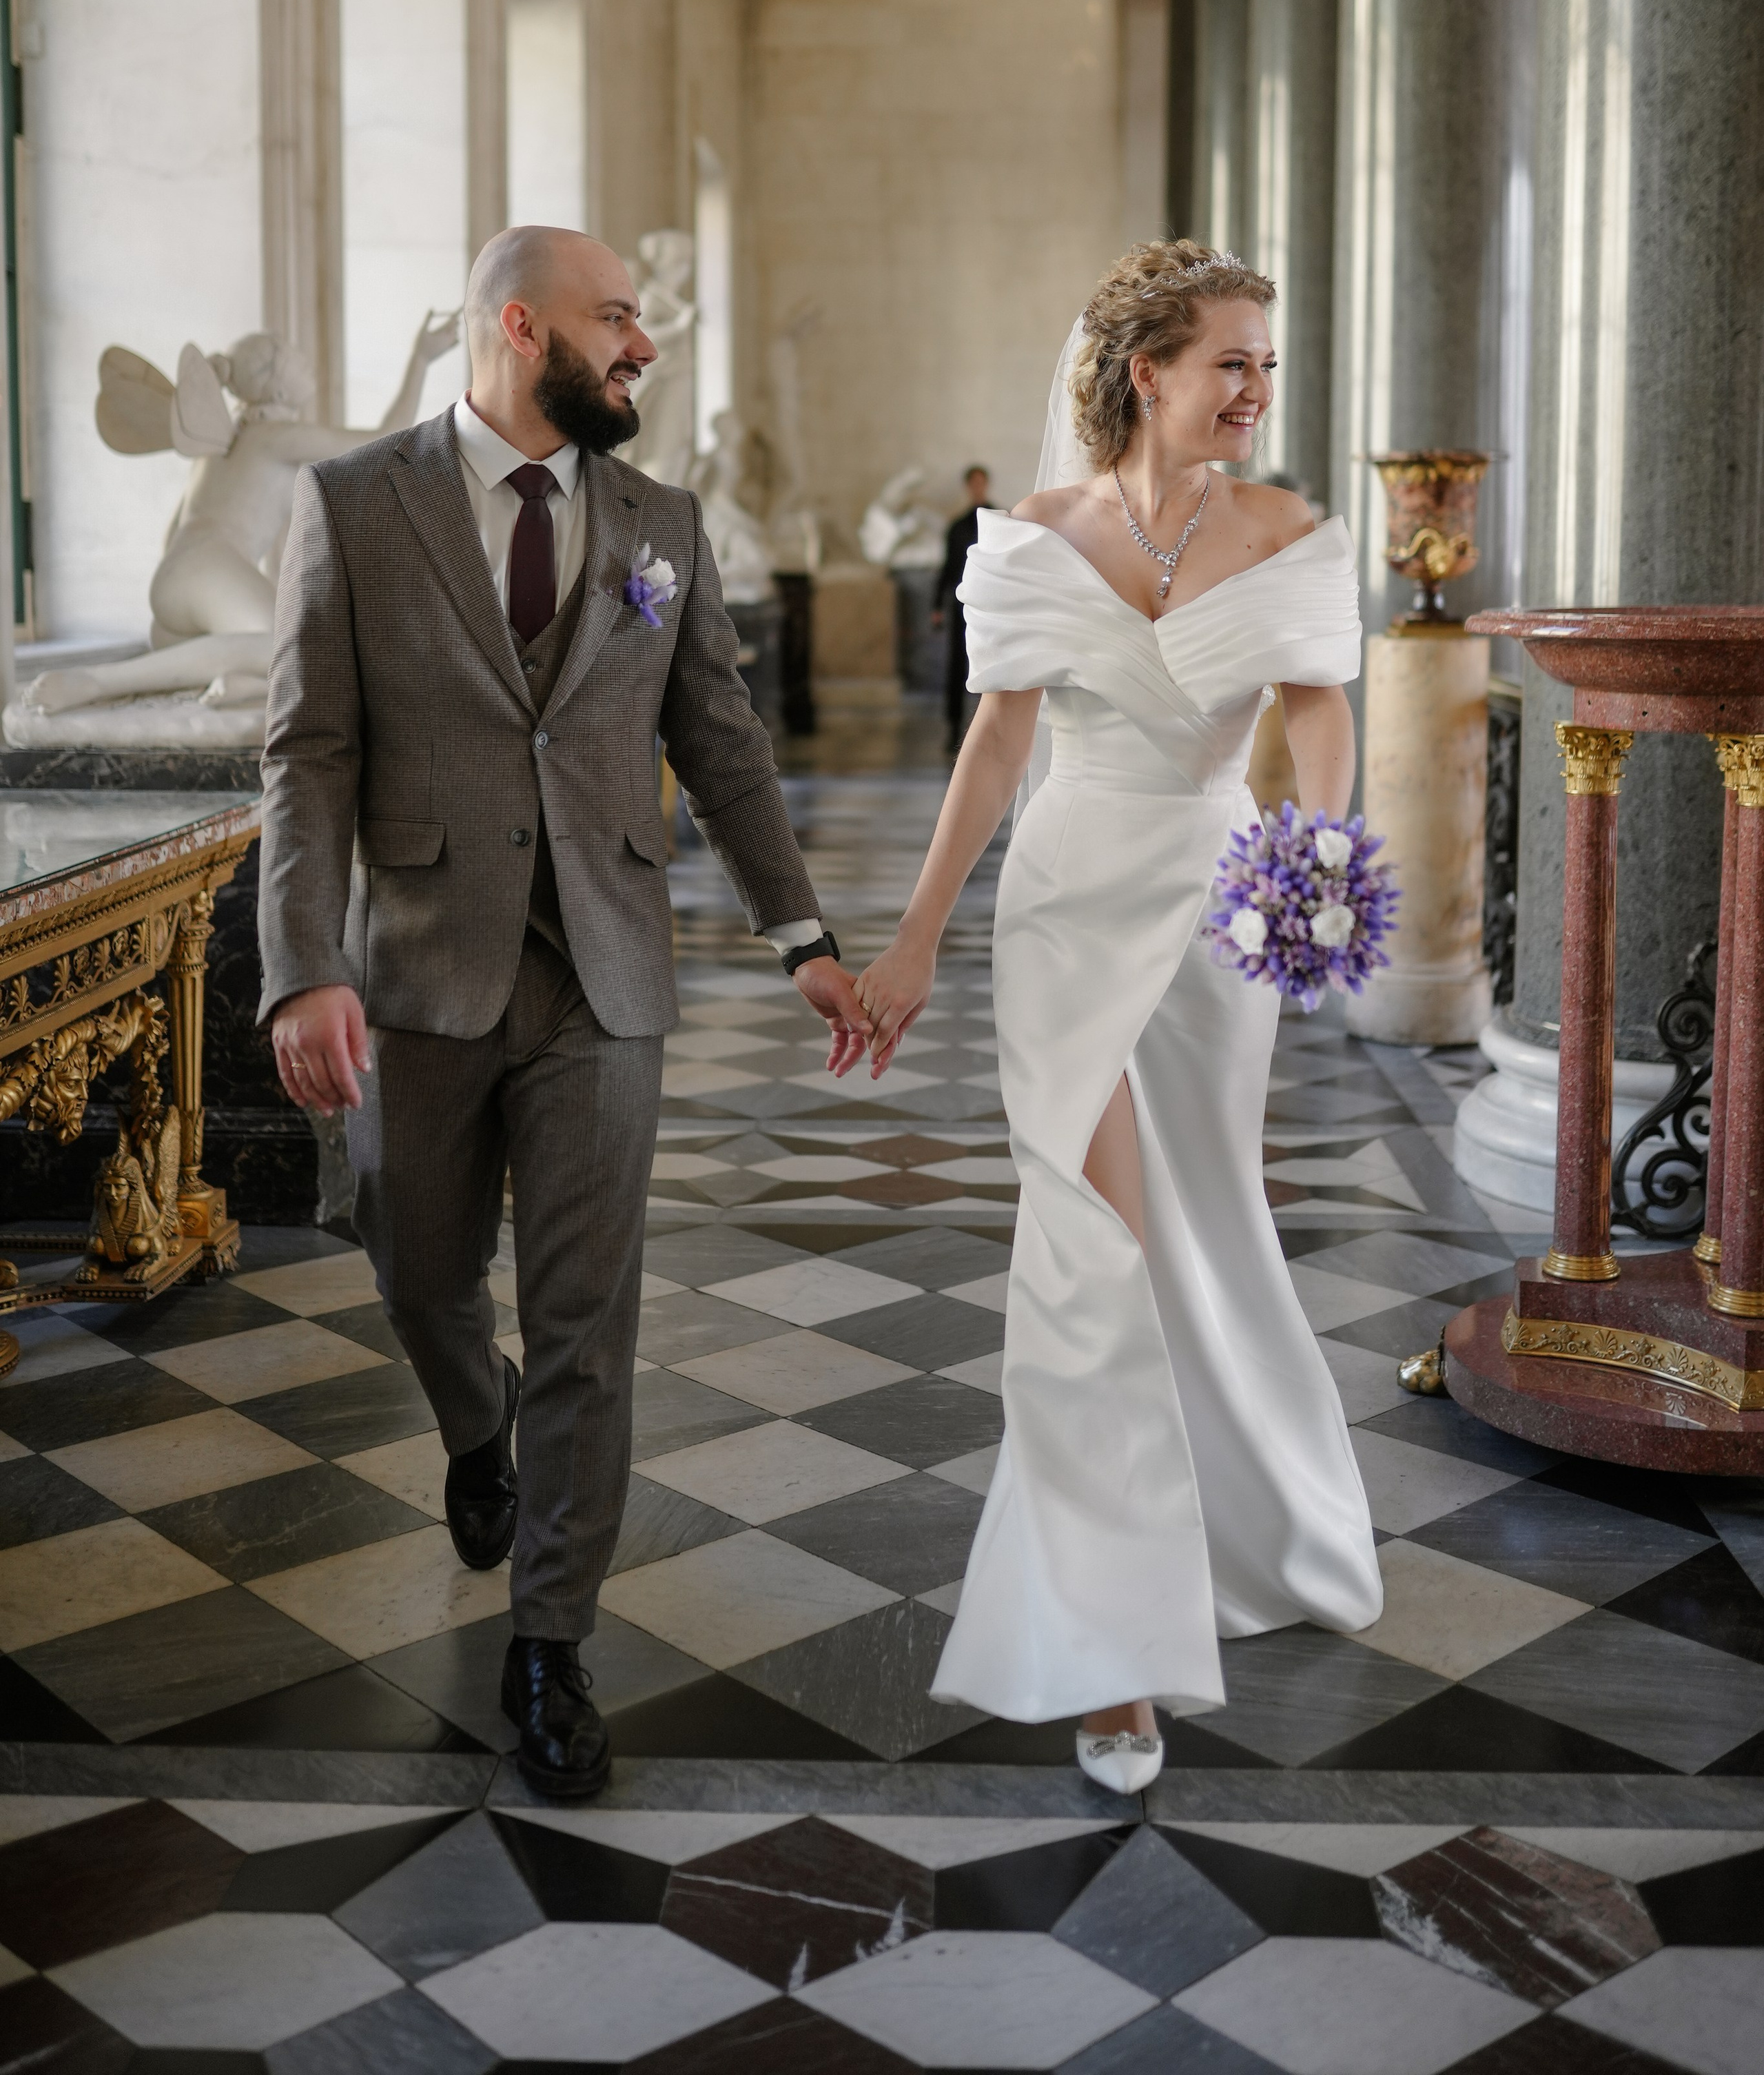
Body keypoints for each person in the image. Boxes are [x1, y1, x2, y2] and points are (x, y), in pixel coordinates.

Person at [258, 225, 871, 1800]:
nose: (641, 348)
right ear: (520, 326)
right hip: (416, 961)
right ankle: (479, 1430)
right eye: (617, 320)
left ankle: (549, 1642)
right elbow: (307, 754)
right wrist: (303, 962)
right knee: (411, 1261)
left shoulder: (656, 521)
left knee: (590, 1315)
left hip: (605, 964)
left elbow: (720, 739)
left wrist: (798, 927)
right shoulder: (350, 504)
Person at [853, 241, 1382, 1794]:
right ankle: (1114, 1651)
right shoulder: (1025, 538)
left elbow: (1316, 711)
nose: (1255, 391)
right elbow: (993, 752)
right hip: (1067, 914)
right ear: (1144, 370)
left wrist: (1317, 852)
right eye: (1229, 361)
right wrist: (912, 942)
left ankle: (1255, 1521)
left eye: (1267, 365)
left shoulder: (1288, 528)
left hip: (1218, 917)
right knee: (1092, 1251)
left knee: (1203, 1230)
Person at [933, 464, 993, 755]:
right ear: (969, 487)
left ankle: (989, 730)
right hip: (961, 608)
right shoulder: (957, 527)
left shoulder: (997, 521)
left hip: (992, 608)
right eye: (974, 484)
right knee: (957, 668)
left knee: (993, 668)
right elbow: (947, 568)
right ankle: (954, 730)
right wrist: (936, 605)